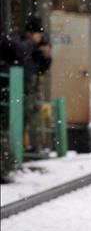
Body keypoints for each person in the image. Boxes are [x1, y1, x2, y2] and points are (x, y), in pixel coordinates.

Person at [0, 17, 52, 150]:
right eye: (37, 34)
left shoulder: (34, 48)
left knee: (24, 121)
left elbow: (41, 68)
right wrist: (32, 42)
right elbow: (19, 51)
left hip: (27, 90)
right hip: (9, 88)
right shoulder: (16, 38)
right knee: (7, 121)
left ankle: (18, 149)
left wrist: (46, 56)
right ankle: (10, 150)